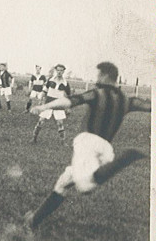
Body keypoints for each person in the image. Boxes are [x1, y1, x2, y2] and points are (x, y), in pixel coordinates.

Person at [24, 62, 150, 230]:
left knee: (85, 186)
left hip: (87, 142)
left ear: (105, 75)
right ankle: (33, 221)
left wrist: (44, 106)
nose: (97, 78)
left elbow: (70, 101)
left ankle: (127, 156)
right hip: (106, 150)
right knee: (63, 183)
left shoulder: (97, 94)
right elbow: (149, 106)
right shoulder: (126, 99)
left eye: (98, 75)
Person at [32, 63, 71, 142]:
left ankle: (62, 142)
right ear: (56, 70)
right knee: (41, 121)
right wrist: (40, 100)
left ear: (63, 71)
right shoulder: (50, 80)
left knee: (60, 123)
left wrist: (68, 107)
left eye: (61, 70)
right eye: (58, 70)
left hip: (58, 105)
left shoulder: (66, 83)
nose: (59, 72)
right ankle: (34, 138)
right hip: (48, 103)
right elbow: (44, 91)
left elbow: (68, 96)